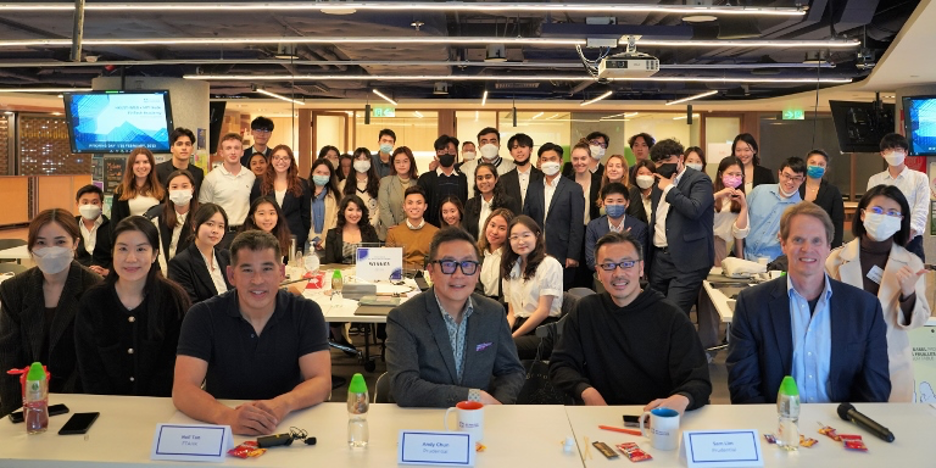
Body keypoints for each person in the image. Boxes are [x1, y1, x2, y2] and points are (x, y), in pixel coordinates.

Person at [727, 202, 890, 404]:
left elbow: (875, 390)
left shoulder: (864, 308)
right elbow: (743, 387)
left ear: (829, 247)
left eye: (816, 241)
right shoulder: (752, 305)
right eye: (798, 239)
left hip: (843, 427)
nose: (807, 249)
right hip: (776, 426)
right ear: (783, 244)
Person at [173, 230, 332, 435]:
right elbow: (183, 389)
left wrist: (283, 404)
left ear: (281, 273)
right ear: (231, 275)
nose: (258, 280)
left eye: (267, 269)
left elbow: (321, 381)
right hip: (222, 428)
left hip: (288, 425)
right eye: (247, 270)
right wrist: (228, 417)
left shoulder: (305, 312)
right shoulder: (203, 315)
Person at [550, 231, 711, 410]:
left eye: (627, 264)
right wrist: (587, 392)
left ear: (641, 268)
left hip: (655, 418)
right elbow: (561, 364)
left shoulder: (671, 317)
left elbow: (698, 381)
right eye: (609, 266)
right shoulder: (586, 311)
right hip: (599, 417)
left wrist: (681, 399)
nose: (618, 273)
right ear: (598, 272)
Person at [385, 227, 524, 407]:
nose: (458, 274)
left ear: (477, 272)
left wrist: (498, 407)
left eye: (467, 265)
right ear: (431, 271)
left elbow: (511, 371)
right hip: (424, 420)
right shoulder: (404, 318)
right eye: (448, 264)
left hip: (479, 420)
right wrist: (472, 397)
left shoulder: (493, 313)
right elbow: (404, 387)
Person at [826, 185, 930, 402]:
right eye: (877, 210)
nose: (884, 218)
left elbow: (919, 320)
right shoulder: (836, 260)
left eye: (892, 213)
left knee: (889, 430)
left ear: (901, 220)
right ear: (862, 214)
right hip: (841, 359)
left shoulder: (912, 262)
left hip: (891, 362)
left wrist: (908, 293)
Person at [0, 210, 102, 416]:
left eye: (60, 242)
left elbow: (92, 359)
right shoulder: (14, 289)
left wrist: (65, 406)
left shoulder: (95, 288)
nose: (50, 250)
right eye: (41, 243)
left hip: (79, 402)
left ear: (75, 243)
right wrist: (18, 411)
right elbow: (8, 355)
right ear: (31, 247)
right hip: (27, 401)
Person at [75, 216, 190, 396]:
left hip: (161, 406)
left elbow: (174, 365)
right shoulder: (93, 301)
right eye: (122, 249)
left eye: (141, 249)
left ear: (154, 255)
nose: (131, 258)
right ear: (112, 252)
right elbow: (89, 368)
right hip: (105, 407)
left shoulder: (173, 299)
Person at [647, 139, 715, 315]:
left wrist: (670, 189)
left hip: (688, 261)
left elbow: (695, 209)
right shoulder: (658, 185)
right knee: (654, 313)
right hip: (659, 260)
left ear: (680, 158)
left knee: (673, 314)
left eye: (667, 160)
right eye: (659, 162)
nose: (663, 165)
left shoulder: (699, 180)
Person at [524, 143, 586, 289]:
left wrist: (573, 255)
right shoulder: (533, 187)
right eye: (544, 159)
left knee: (560, 293)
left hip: (562, 252)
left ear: (561, 161)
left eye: (552, 158)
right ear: (539, 162)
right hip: (536, 251)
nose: (548, 162)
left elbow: (576, 224)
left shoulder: (573, 188)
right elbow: (526, 219)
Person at [502, 215, 564, 360]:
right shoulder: (512, 268)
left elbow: (543, 311)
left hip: (544, 331)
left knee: (502, 350)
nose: (521, 241)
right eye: (515, 237)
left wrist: (511, 338)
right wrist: (502, 334)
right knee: (485, 345)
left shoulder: (549, 264)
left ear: (537, 236)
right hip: (520, 326)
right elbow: (512, 313)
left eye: (525, 235)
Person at [867, 133, 929, 261]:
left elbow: (921, 209)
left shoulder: (919, 178)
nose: (893, 153)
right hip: (882, 238)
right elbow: (870, 209)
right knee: (882, 278)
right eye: (889, 150)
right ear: (882, 154)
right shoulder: (875, 180)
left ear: (906, 153)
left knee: (911, 277)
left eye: (898, 150)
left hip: (911, 240)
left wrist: (909, 232)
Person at [249, 145, 311, 254]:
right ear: (271, 160)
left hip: (293, 237)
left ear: (291, 161)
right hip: (266, 237)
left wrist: (302, 236)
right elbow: (254, 210)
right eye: (276, 157)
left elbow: (306, 215)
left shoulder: (302, 184)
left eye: (285, 158)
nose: (280, 161)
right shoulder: (260, 183)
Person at [744, 157, 806, 262]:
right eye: (787, 176)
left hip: (773, 263)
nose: (790, 182)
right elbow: (741, 224)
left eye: (796, 178)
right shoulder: (759, 191)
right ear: (779, 173)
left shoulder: (801, 210)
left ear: (803, 179)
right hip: (743, 257)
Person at [168, 204, 232, 304]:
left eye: (221, 226)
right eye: (210, 224)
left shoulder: (227, 257)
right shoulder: (180, 264)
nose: (215, 230)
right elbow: (189, 305)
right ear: (194, 225)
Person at [585, 183, 648, 271]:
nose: (615, 204)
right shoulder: (593, 226)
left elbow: (640, 260)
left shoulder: (640, 227)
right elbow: (591, 261)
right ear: (603, 204)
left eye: (619, 201)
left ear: (627, 203)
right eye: (610, 201)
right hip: (602, 278)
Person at [199, 133, 256, 230]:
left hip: (245, 230)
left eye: (236, 148)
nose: (233, 152)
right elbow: (203, 208)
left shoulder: (251, 176)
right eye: (228, 148)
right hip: (220, 231)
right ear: (221, 153)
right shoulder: (211, 178)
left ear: (242, 152)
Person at [147, 170, 198, 273]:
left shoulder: (201, 216)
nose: (180, 191)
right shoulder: (156, 216)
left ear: (192, 189)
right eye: (174, 187)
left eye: (184, 186)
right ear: (168, 190)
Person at [418, 135, 468, 227]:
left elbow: (465, 204)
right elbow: (421, 207)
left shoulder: (463, 178)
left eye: (451, 151)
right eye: (442, 151)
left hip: (458, 231)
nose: (447, 154)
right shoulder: (425, 179)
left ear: (456, 153)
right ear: (437, 154)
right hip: (432, 230)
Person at [386, 186, 440, 270]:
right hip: (401, 277)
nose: (414, 207)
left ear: (425, 207)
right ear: (404, 207)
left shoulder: (436, 233)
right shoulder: (393, 232)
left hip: (427, 277)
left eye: (419, 203)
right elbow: (389, 263)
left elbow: (438, 262)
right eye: (410, 203)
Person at [110, 147, 165, 229]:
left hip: (156, 239)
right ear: (131, 166)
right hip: (131, 238)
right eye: (137, 162)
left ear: (151, 165)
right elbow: (115, 223)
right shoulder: (121, 191)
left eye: (145, 162)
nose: (141, 166)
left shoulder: (161, 190)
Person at [464, 162, 521, 241]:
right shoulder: (470, 204)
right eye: (480, 178)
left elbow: (514, 231)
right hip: (476, 250)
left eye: (488, 177)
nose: (484, 181)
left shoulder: (509, 203)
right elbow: (466, 232)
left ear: (496, 179)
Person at [800, 149, 844, 248]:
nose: (816, 166)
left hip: (822, 242)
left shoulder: (833, 191)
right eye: (813, 163)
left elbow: (837, 223)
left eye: (821, 164)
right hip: (798, 239)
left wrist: (834, 250)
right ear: (806, 165)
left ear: (826, 169)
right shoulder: (796, 187)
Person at [712, 156, 750, 266]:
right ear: (720, 174)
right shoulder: (710, 192)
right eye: (730, 174)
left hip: (727, 246)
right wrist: (718, 195)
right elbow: (700, 209)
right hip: (709, 244)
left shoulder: (739, 197)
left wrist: (743, 206)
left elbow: (739, 232)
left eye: (738, 174)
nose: (734, 178)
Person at [322, 195, 381, 265]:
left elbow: (376, 258)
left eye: (358, 210)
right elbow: (330, 264)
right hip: (341, 274)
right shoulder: (332, 234)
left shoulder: (370, 231)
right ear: (343, 211)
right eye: (350, 210)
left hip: (364, 274)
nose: (354, 214)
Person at [460, 128, 515, 198]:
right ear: (479, 147)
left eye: (493, 141)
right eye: (484, 142)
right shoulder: (466, 168)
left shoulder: (512, 166)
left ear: (499, 145)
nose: (489, 145)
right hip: (474, 208)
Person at [378, 146, 418, 239]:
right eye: (398, 162)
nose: (401, 165)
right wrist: (395, 228)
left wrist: (403, 227)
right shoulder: (385, 182)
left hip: (412, 232)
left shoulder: (418, 183)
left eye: (405, 161)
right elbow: (384, 209)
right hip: (389, 233)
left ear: (411, 162)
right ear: (393, 164)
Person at [74, 184, 112, 276]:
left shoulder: (112, 227)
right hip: (78, 278)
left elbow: (120, 255)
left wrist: (109, 272)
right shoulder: (70, 227)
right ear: (77, 204)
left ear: (101, 204)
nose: (89, 206)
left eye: (94, 202)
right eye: (85, 202)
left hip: (105, 280)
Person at [341, 147, 381, 233]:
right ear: (353, 162)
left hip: (373, 229)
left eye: (365, 159)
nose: (362, 162)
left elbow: (380, 207)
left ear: (370, 162)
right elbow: (340, 207)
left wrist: (372, 223)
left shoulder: (379, 184)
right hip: (350, 229)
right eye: (358, 159)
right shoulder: (343, 184)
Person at [476, 208, 514, 301]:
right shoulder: (476, 253)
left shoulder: (513, 258)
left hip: (503, 308)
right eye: (492, 225)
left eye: (502, 228)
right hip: (478, 304)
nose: (494, 232)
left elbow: (511, 293)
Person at [497, 133, 541, 207]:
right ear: (511, 153)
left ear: (530, 150)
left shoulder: (542, 176)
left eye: (523, 146)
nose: (519, 150)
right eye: (515, 147)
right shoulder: (504, 179)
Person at [155, 127, 205, 193]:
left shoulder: (199, 173)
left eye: (187, 144)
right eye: (179, 144)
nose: (184, 148)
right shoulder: (158, 170)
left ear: (192, 149)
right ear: (172, 148)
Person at [307, 158, 340, 255]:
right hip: (307, 242)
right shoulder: (304, 193)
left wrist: (324, 241)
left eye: (326, 173)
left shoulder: (336, 196)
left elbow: (336, 220)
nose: (322, 176)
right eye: (318, 172)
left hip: (329, 243)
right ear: (312, 172)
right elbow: (302, 218)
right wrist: (313, 238)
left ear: (330, 176)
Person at [629, 160, 656, 224]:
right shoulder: (630, 194)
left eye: (649, 174)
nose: (645, 177)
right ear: (635, 175)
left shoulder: (660, 194)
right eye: (641, 173)